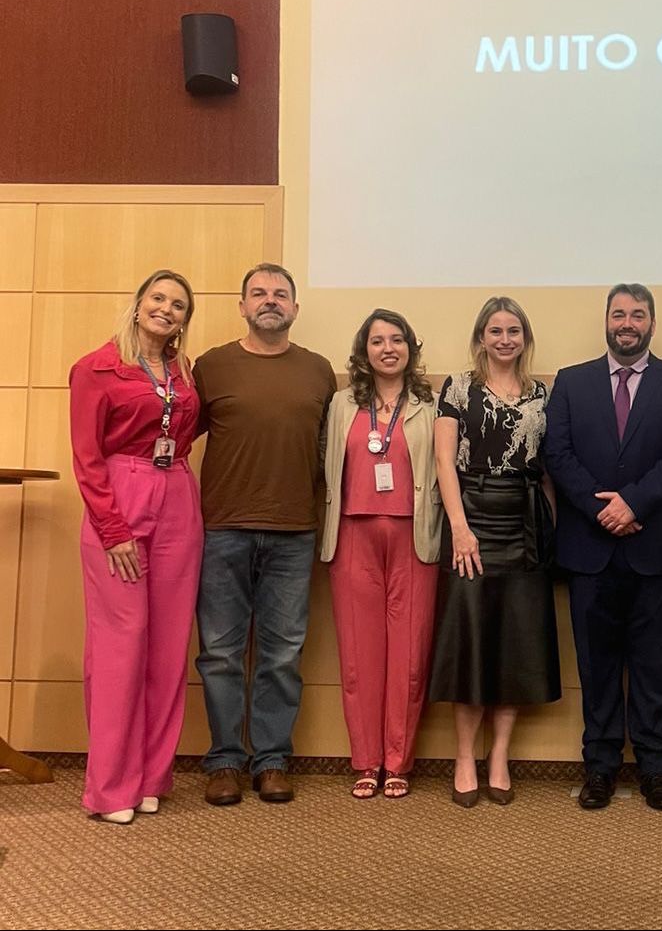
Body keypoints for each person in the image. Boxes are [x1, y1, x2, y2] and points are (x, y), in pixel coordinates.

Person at [543, 282, 662, 811]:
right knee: (597, 669)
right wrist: (602, 510)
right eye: (619, 315)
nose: (627, 324)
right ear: (606, 322)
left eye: (637, 315)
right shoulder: (571, 381)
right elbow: (557, 455)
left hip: (655, 550)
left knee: (654, 668)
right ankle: (600, 768)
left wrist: (632, 503)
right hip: (589, 550)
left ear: (652, 323)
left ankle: (655, 770)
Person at [193, 263, 337, 806]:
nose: (269, 300)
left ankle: (272, 760)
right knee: (220, 654)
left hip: (294, 533)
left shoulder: (318, 371)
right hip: (222, 529)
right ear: (242, 306)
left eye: (280, 294)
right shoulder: (211, 367)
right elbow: (175, 437)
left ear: (295, 308)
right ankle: (225, 761)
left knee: (281, 655)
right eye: (259, 293)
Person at [69, 269, 202, 824]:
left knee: (168, 649)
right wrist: (113, 529)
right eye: (158, 298)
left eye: (178, 305)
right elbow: (86, 457)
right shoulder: (95, 368)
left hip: (177, 497)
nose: (166, 309)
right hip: (119, 499)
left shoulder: (183, 372)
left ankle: (151, 777)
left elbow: (184, 434)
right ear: (139, 303)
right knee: (120, 647)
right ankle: (110, 788)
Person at [427, 297, 560, 808]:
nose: (505, 339)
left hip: (525, 523)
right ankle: (465, 756)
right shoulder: (458, 388)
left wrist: (550, 529)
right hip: (473, 519)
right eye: (496, 331)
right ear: (481, 337)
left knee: (514, 645)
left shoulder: (541, 394)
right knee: (472, 642)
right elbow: (444, 461)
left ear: (525, 338)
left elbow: (546, 471)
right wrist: (460, 530)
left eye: (514, 331)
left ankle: (499, 755)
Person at [320, 309, 442, 799]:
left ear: (410, 348)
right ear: (363, 350)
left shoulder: (430, 406)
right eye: (377, 341)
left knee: (409, 657)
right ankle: (367, 760)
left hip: (414, 538)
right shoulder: (341, 403)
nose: (387, 349)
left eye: (396, 340)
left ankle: (397, 760)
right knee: (358, 656)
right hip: (353, 535)